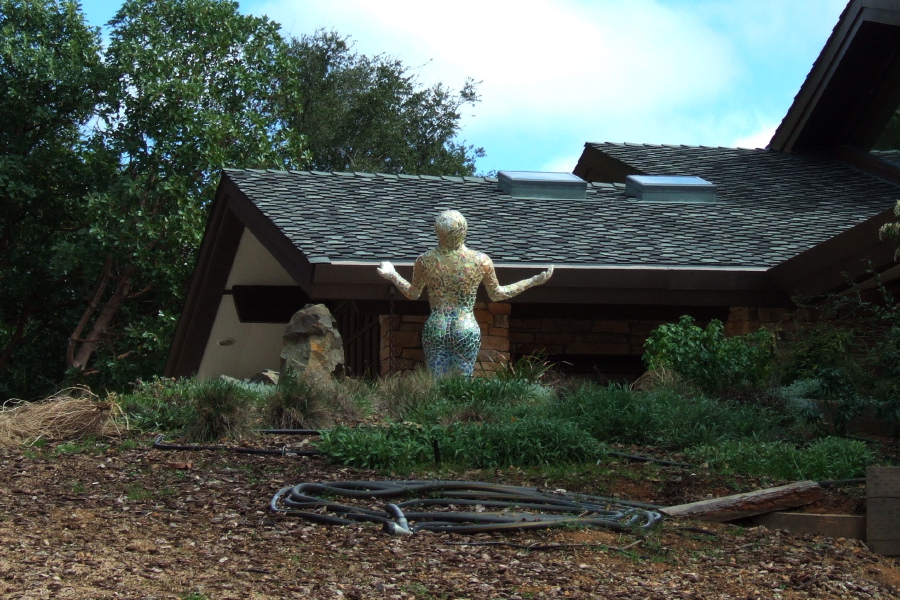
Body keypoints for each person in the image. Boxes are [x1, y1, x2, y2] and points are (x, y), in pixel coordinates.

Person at [377, 210, 553, 376]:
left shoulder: (425, 261)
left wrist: (392, 274)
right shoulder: (480, 260)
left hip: (437, 326)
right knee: (460, 388)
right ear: (464, 230)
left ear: (438, 232)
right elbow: (497, 294)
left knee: (437, 387)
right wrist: (532, 281)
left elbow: (413, 293)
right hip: (466, 327)